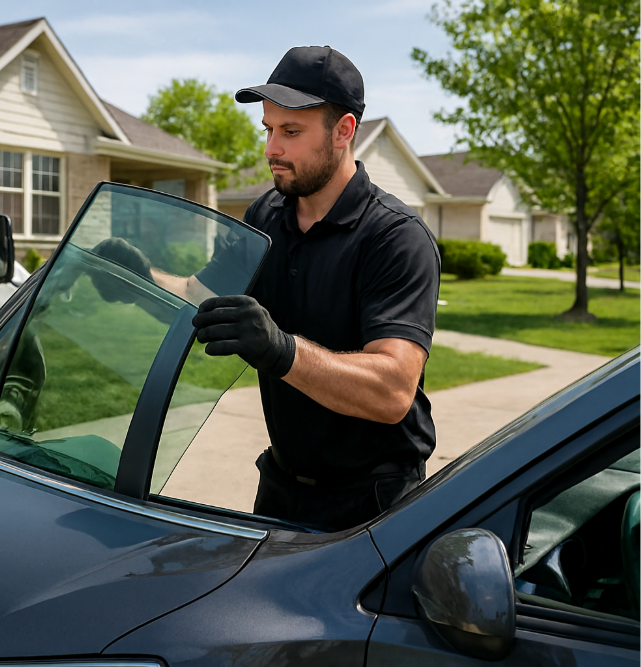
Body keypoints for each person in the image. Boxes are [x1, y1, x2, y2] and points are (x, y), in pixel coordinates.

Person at [97, 45, 440, 532]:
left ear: (343, 131)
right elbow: (203, 296)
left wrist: (281, 351)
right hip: (280, 488)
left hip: (374, 504)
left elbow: (392, 391)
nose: (270, 149)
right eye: (269, 129)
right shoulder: (266, 215)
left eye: (291, 132)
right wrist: (140, 280)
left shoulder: (395, 237)